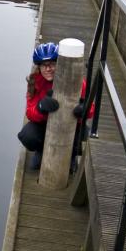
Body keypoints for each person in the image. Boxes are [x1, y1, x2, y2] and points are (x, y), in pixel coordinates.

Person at [17, 42, 93, 170]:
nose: (48, 69)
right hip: (46, 125)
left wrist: (83, 109)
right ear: (39, 67)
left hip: (71, 125)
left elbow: (91, 108)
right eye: (43, 65)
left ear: (59, 64)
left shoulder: (76, 81)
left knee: (86, 138)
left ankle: (73, 155)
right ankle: (42, 150)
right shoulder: (35, 82)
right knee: (28, 136)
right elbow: (30, 112)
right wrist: (41, 107)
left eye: (52, 64)